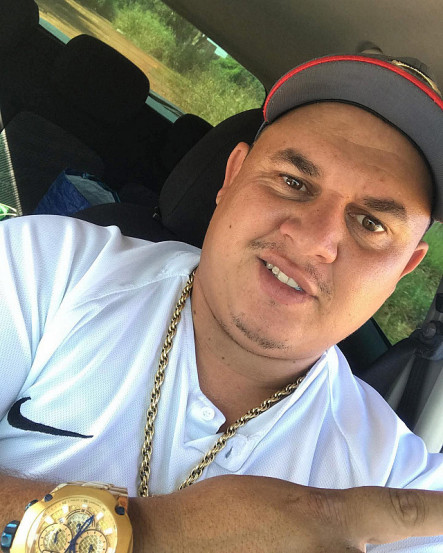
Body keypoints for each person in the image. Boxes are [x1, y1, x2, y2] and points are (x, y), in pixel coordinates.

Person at [1, 52, 443, 553]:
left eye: (370, 223)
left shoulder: (392, 478)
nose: (315, 240)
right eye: (294, 182)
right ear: (231, 177)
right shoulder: (48, 266)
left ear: (403, 270)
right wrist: (159, 533)